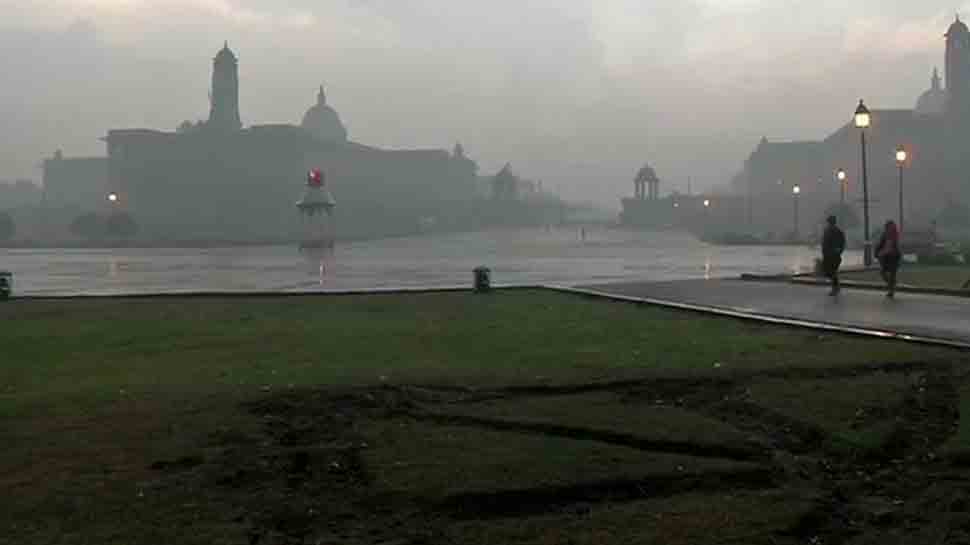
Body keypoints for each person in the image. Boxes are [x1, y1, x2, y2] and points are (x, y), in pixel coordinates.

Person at [876, 220, 901, 298]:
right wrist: (877, 252)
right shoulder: (884, 235)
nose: (888, 228)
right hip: (886, 257)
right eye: (888, 227)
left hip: (893, 257)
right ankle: (892, 287)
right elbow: (880, 244)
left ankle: (891, 290)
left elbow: (894, 247)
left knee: (891, 274)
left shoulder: (895, 235)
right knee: (884, 273)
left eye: (890, 227)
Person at [821, 215, 846, 296]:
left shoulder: (837, 231)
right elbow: (824, 243)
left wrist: (838, 251)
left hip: (834, 255)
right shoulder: (827, 230)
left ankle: (835, 288)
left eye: (830, 221)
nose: (829, 223)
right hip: (827, 255)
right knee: (829, 272)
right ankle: (836, 287)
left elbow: (842, 243)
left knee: (832, 272)